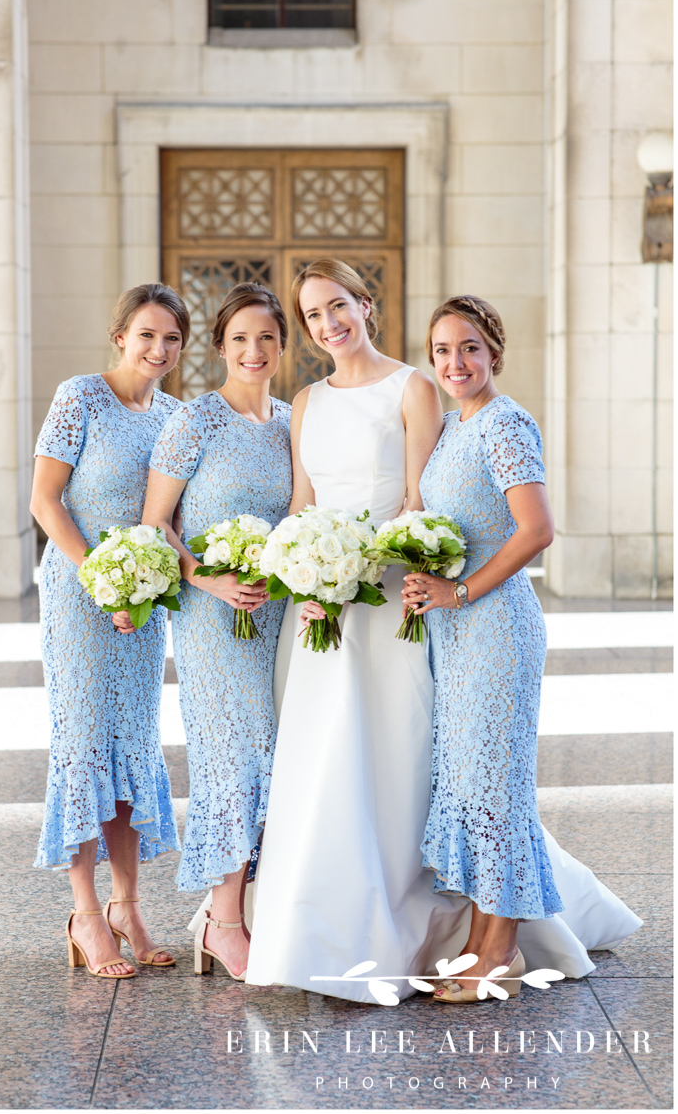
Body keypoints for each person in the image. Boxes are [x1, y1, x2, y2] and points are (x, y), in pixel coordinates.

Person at [407, 296, 641, 1002]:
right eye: (443, 349)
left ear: (495, 354)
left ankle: (501, 949)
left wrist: (462, 591)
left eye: (470, 347)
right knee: (472, 784)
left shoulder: (506, 423)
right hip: (456, 632)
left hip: (496, 625)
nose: (456, 362)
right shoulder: (450, 427)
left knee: (497, 789)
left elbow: (535, 528)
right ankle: (479, 939)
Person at [239, 257, 455, 1001]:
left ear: (366, 303)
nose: (327, 323)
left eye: (338, 305)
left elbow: (425, 503)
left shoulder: (413, 387)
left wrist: (358, 567)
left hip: (389, 597)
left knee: (392, 750)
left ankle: (398, 916)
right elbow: (302, 502)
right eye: (312, 316)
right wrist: (305, 575)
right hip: (321, 607)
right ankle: (313, 923)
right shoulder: (305, 401)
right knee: (322, 752)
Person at [30, 283, 187, 979]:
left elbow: (172, 519)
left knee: (132, 745)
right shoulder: (80, 397)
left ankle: (128, 904)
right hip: (79, 589)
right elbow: (45, 499)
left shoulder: (178, 417)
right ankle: (86, 914)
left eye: (172, 339)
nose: (158, 349)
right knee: (86, 743)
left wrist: (156, 586)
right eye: (147, 334)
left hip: (144, 604)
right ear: (120, 334)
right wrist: (103, 578)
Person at [138, 283, 292, 980]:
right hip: (211, 616)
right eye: (239, 340)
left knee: (273, 759)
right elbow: (155, 523)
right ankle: (225, 923)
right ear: (220, 348)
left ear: (284, 346)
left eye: (266, 338)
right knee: (235, 753)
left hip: (277, 618)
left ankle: (230, 910)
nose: (253, 351)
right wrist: (208, 579)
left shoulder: (293, 422)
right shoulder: (195, 419)